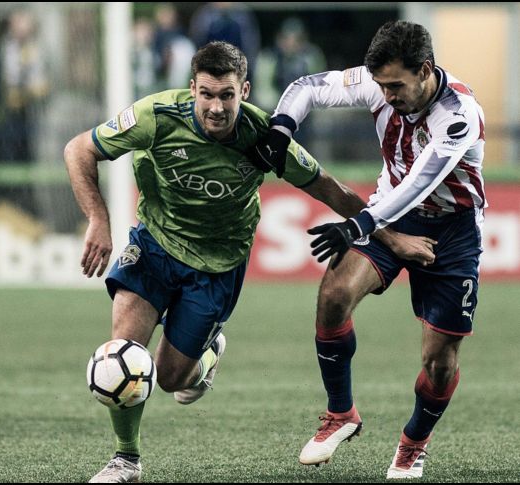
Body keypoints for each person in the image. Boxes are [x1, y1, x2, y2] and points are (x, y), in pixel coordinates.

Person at [64, 41, 435, 483]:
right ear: (192, 89)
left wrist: (392, 238)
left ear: (245, 90)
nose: (216, 108)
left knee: (167, 379)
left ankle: (204, 357)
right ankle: (126, 460)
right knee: (123, 352)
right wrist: (98, 221)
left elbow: (328, 188)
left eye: (227, 96)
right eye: (206, 94)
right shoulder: (157, 117)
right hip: (154, 246)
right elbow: (79, 149)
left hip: (217, 265)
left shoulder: (263, 136)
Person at [262, 20, 486, 479]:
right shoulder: (379, 82)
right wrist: (280, 128)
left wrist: (360, 223)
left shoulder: (459, 113)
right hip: (391, 213)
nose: (386, 96)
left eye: (396, 86)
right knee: (333, 295)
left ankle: (412, 445)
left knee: (439, 362)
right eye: (380, 86)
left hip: (453, 232)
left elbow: (423, 179)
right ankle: (341, 414)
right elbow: (306, 87)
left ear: (425, 70)